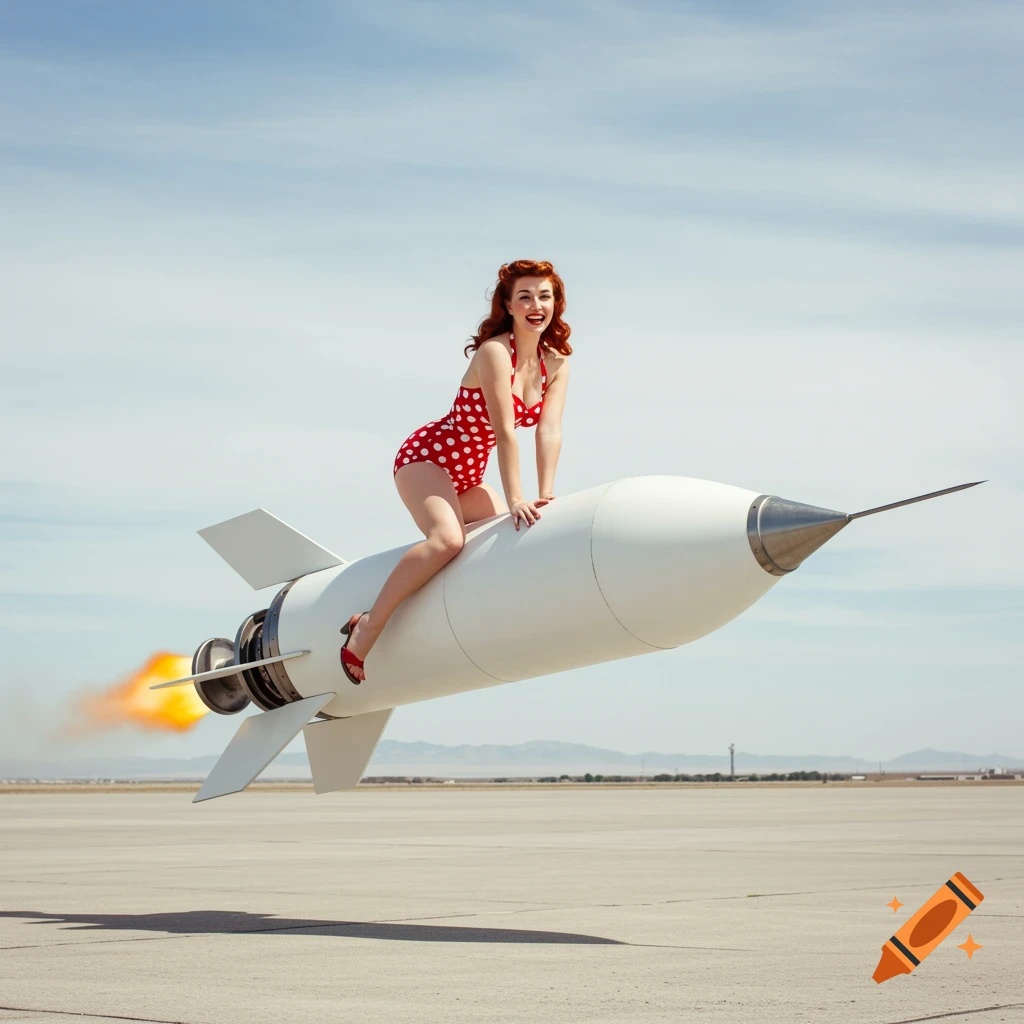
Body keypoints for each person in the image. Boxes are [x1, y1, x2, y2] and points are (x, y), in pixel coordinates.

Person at [339, 259, 573, 684]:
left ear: (556, 303)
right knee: (448, 540)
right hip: (427, 458)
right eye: (525, 296)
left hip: (466, 475)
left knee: (500, 541)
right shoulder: (494, 352)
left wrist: (546, 494)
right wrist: (518, 497)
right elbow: (505, 433)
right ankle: (368, 626)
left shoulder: (556, 363)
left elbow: (550, 431)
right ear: (508, 304)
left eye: (545, 296)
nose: (536, 305)